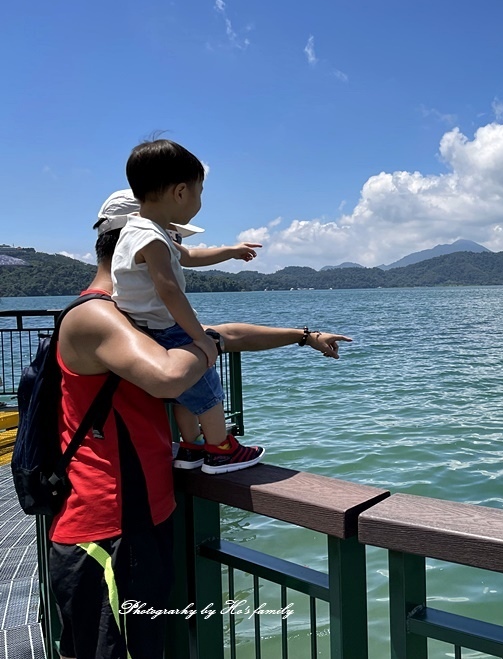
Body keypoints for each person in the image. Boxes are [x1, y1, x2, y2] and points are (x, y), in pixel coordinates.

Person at [49, 194, 350, 659]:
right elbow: (172, 373)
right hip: (108, 531)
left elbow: (221, 335)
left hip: (143, 515)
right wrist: (205, 344)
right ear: (137, 242)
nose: (174, 250)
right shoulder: (95, 316)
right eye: (169, 239)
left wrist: (303, 336)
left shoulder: (136, 320)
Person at [112, 139, 263, 474]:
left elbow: (190, 256)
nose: (199, 200)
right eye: (200, 191)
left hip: (142, 329)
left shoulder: (139, 230)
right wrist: (201, 339)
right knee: (206, 382)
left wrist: (231, 251)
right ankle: (221, 448)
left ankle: (191, 446)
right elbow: (169, 292)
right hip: (165, 328)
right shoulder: (152, 239)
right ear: (181, 192)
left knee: (184, 391)